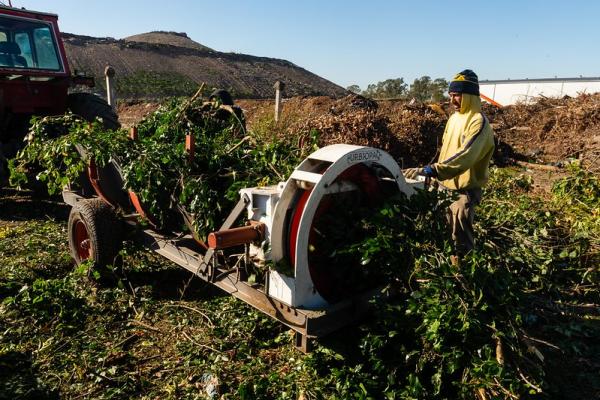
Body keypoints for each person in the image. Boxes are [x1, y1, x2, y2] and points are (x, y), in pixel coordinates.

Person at [405, 69, 495, 261]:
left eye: (458, 95)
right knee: (442, 234)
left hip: (464, 191)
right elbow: (446, 151)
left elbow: (466, 156)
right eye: (451, 95)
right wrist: (434, 176)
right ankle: (446, 270)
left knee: (460, 239)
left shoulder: (478, 122)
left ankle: (464, 278)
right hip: (443, 186)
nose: (453, 100)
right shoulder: (454, 119)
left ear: (470, 96)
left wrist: (434, 170)